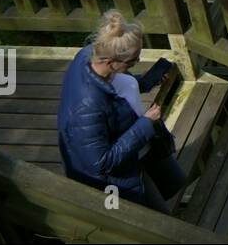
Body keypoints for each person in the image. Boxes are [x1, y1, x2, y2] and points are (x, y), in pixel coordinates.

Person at [56, 11, 185, 213]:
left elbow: (119, 87)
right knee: (160, 220)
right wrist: (145, 125)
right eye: (133, 60)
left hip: (139, 145)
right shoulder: (87, 109)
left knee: (174, 182)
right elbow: (101, 163)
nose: (138, 60)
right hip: (117, 174)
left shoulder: (94, 55)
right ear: (111, 62)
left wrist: (145, 81)